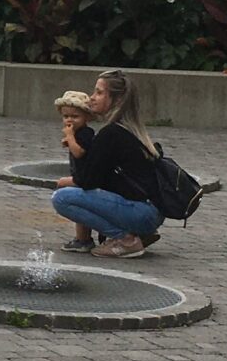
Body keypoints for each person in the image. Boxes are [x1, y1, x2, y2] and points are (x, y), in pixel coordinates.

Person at [53, 70, 164, 257]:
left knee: (62, 198)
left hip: (141, 213)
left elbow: (88, 181)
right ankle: (135, 233)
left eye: (99, 93)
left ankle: (125, 239)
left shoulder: (110, 134)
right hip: (151, 212)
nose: (92, 98)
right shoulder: (129, 128)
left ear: (116, 99)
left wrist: (66, 181)